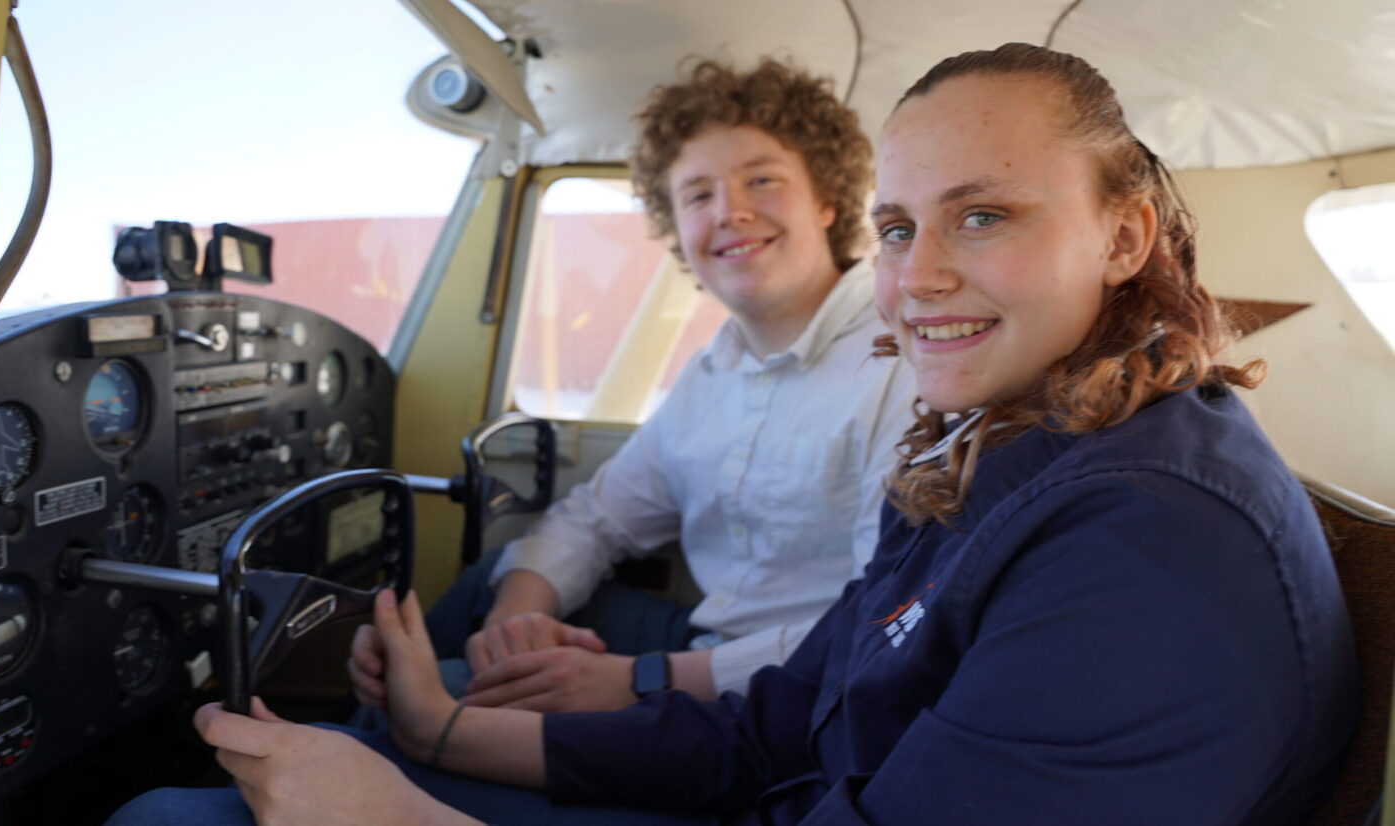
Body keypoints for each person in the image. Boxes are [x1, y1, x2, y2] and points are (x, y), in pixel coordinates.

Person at [108, 43, 1358, 826]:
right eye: (909, 226)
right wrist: (443, 733)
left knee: (170, 817)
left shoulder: (1145, 543)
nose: (918, 278)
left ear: (1126, 237)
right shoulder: (997, 444)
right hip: (784, 778)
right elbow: (789, 719)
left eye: (985, 217)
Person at [401, 57, 914, 712]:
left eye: (762, 179)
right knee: (492, 589)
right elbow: (596, 519)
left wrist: (638, 683)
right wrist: (515, 622)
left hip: (796, 694)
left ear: (826, 201)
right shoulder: (712, 374)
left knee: (432, 703)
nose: (730, 211)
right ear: (678, 229)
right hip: (699, 643)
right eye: (698, 195)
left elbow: (882, 618)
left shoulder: (900, 356)